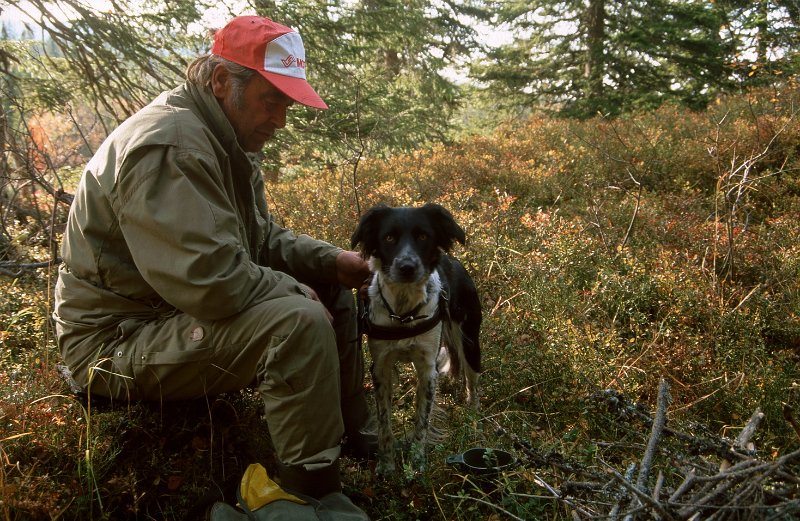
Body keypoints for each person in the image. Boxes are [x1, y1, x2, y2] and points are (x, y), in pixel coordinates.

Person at [53, 15, 374, 505]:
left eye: (286, 103)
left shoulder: (223, 137)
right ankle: (312, 495)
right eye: (273, 101)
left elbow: (258, 238)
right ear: (223, 82)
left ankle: (359, 446)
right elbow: (211, 280)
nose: (281, 120)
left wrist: (332, 262)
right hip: (114, 344)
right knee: (298, 320)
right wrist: (293, 291)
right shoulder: (172, 146)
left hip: (167, 314)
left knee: (330, 287)